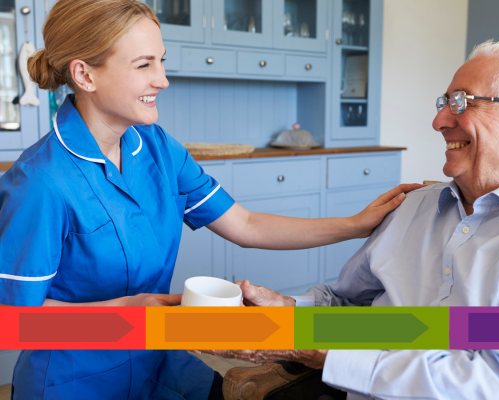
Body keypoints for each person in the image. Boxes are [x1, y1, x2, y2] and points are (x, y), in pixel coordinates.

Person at [0, 1, 421, 398]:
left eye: (161, 61)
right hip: (77, 381)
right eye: (144, 65)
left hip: (161, 363)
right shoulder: (40, 183)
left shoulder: (157, 149)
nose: (162, 79)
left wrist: (355, 224)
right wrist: (134, 308)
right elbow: (16, 324)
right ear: (85, 75)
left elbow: (246, 224)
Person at [204, 40, 499, 399]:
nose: (440, 120)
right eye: (443, 101)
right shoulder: (413, 207)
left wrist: (320, 350)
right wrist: (290, 309)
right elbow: (349, 304)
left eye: (462, 102)